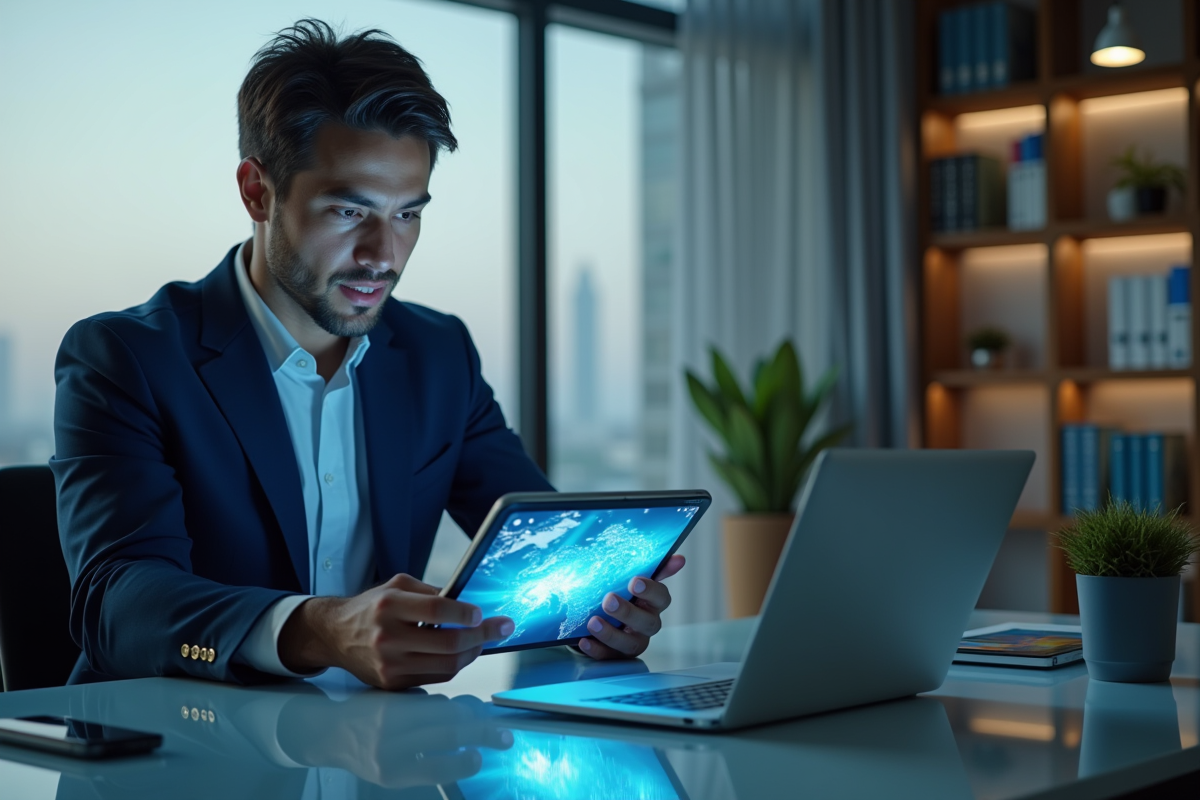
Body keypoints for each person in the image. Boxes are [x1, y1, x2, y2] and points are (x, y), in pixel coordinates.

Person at [51, 19, 684, 690]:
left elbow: (544, 544)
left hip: (378, 749)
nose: (384, 255)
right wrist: (317, 628)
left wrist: (596, 613)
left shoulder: (439, 355)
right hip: (176, 753)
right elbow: (116, 606)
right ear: (257, 191)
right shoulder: (125, 357)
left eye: (408, 214)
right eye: (349, 212)